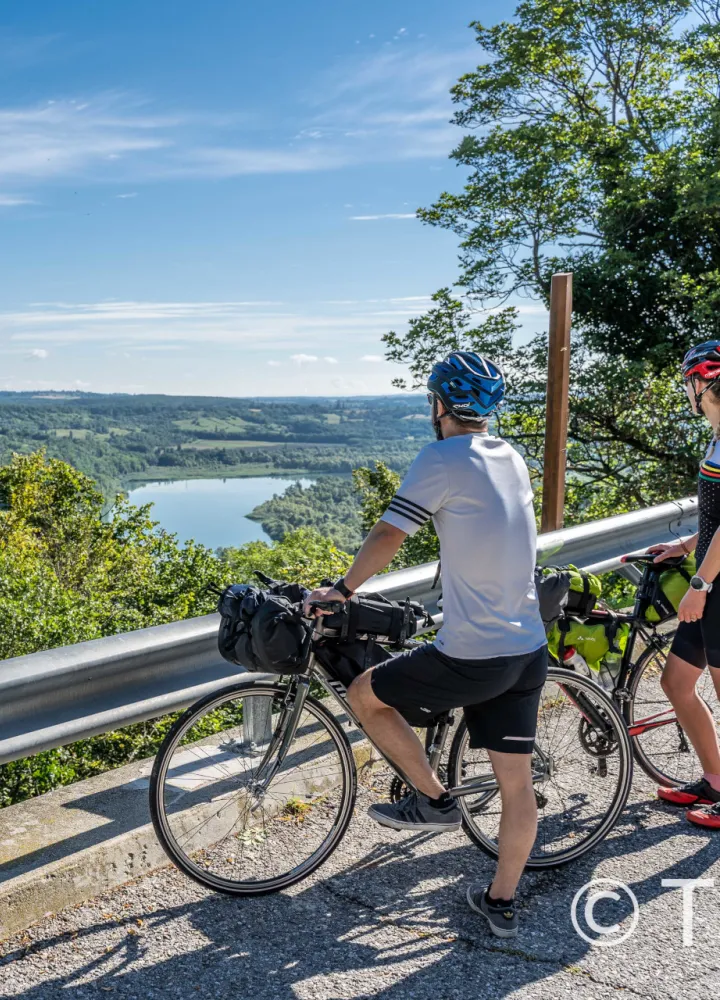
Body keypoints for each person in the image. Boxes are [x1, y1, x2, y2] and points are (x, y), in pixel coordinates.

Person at [304, 351, 547, 938]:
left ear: (439, 404)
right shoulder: (510, 455)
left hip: (472, 652)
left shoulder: (440, 457)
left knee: (365, 694)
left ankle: (435, 802)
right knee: (517, 785)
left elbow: (391, 532)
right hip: (527, 649)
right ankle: (501, 903)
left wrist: (342, 589)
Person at [650, 340, 720, 830]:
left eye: (688, 384)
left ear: (704, 382)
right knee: (675, 683)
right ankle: (716, 780)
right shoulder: (717, 436)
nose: (686, 393)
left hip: (716, 585)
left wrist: (698, 581)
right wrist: (686, 545)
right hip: (709, 579)